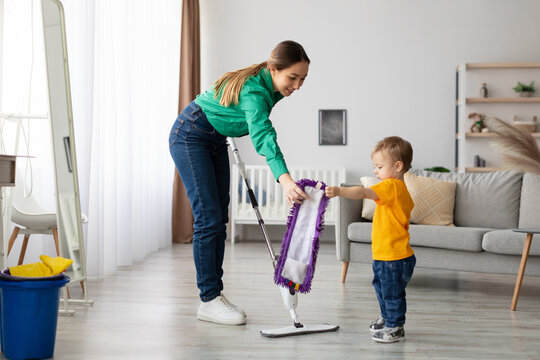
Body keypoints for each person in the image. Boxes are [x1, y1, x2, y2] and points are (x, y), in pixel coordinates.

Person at [168, 40, 310, 326]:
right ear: (273, 69)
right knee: (208, 218)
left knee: (220, 216)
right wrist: (284, 179)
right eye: (292, 77)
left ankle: (214, 296)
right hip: (190, 135)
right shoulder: (255, 90)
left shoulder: (271, 86)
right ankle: (209, 299)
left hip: (213, 138)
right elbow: (263, 134)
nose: (297, 86)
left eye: (302, 79)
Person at [325, 136, 416, 343]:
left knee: (392, 293)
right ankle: (387, 318)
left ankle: (396, 327)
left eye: (379, 166)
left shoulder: (391, 186)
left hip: (394, 257)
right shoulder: (396, 190)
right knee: (382, 288)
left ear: (398, 166)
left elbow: (364, 192)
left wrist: (340, 191)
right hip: (386, 255)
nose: (375, 171)